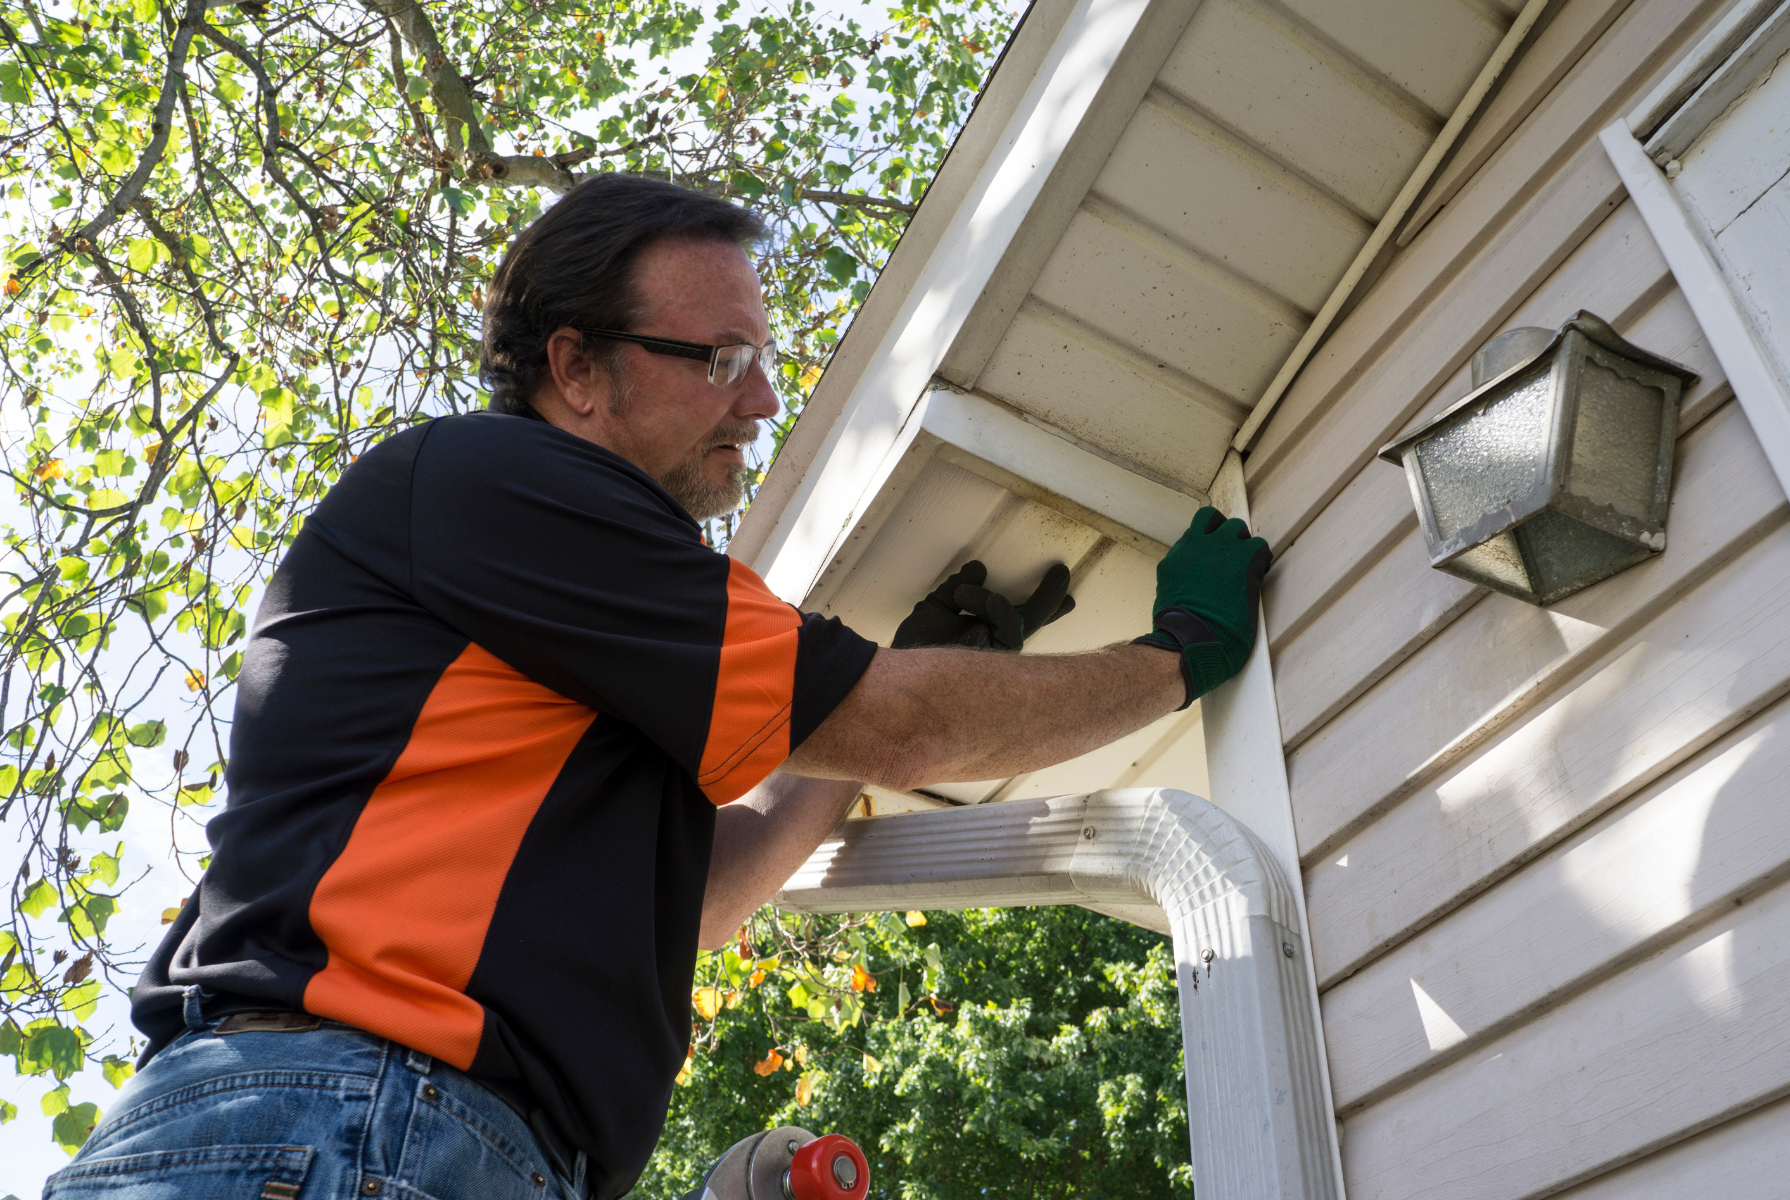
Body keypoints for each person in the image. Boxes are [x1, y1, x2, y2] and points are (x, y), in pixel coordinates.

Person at [44, 175, 1268, 1200]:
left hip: (390, 1133)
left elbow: (680, 912)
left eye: (765, 358)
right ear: (576, 366)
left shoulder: (567, 652)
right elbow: (902, 727)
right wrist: (1173, 659)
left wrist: (838, 749)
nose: (762, 401)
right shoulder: (499, 483)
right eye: (721, 358)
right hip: (348, 1116)